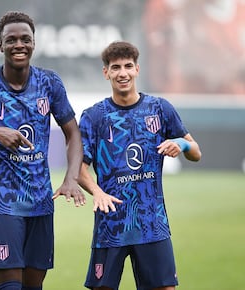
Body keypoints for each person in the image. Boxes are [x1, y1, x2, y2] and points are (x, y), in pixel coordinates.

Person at [0, 11, 85, 290]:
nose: (19, 45)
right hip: (2, 205)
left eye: (25, 39)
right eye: (11, 40)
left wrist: (71, 178)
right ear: (0, 45)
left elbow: (73, 134)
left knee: (33, 286)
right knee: (9, 286)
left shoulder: (50, 83)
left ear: (34, 43)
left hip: (42, 203)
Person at [78, 41, 201, 290]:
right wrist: (98, 192)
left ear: (137, 69)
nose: (122, 73)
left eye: (127, 66)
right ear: (106, 73)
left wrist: (181, 144)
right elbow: (79, 169)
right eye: (115, 68)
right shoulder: (94, 116)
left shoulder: (160, 108)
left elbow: (196, 152)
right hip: (110, 225)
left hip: (152, 224)